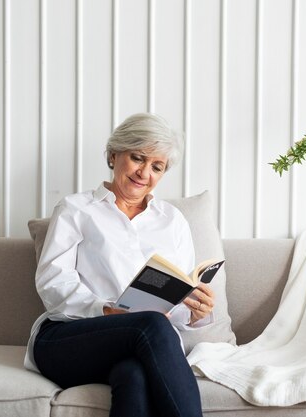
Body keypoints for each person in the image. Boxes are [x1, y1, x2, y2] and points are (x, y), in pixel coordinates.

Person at [24, 113, 214, 417]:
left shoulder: (172, 221)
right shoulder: (76, 209)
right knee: (152, 324)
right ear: (114, 156)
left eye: (157, 167)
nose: (144, 173)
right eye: (137, 158)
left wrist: (195, 313)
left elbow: (175, 303)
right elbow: (52, 283)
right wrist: (106, 310)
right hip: (69, 337)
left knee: (133, 376)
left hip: (138, 345)